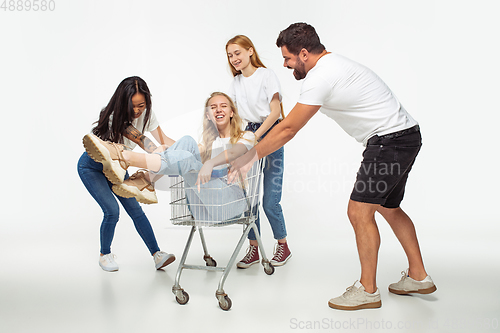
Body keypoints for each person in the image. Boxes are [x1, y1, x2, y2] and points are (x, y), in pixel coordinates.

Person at [229, 23, 436, 310]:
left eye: (288, 58)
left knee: (358, 211)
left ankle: (367, 290)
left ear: (303, 54)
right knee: (388, 207)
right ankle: (418, 276)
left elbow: (287, 128)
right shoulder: (333, 65)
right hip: (406, 136)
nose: (286, 65)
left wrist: (249, 157)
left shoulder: (321, 76)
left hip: (388, 142)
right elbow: (285, 127)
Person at [84, 92, 257, 222]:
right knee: (187, 143)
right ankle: (147, 179)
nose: (218, 109)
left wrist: (210, 163)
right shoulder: (207, 144)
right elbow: (181, 152)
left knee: (188, 158)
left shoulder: (246, 136)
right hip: (202, 207)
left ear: (232, 112)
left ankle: (126, 157)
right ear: (208, 115)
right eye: (213, 107)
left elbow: (235, 152)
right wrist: (165, 150)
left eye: (223, 106)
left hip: (230, 204)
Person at [78, 76, 176, 272]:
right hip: (93, 168)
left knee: (136, 211)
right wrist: (157, 153)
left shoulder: (147, 113)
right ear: (124, 102)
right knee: (112, 211)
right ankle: (104, 255)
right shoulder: (115, 115)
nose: (138, 110)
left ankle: (157, 255)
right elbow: (140, 139)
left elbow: (163, 138)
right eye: (133, 106)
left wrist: (185, 151)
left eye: (142, 104)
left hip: (117, 169)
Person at [226, 35, 291, 268]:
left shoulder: (267, 75)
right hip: (249, 134)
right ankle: (255, 248)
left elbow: (275, 112)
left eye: (238, 53)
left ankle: (283, 245)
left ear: (250, 51)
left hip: (271, 132)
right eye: (230, 55)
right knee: (248, 200)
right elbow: (233, 116)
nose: (234, 59)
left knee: (270, 200)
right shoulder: (236, 83)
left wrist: (257, 136)